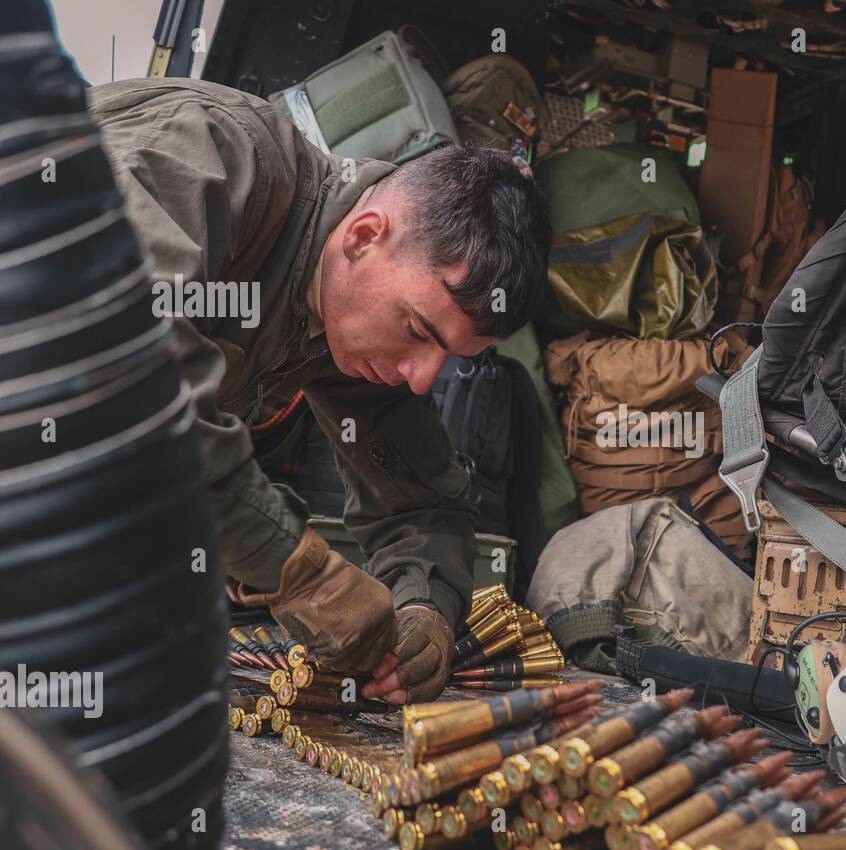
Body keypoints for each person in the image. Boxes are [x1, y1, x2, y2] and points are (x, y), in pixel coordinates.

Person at [89, 78, 551, 703]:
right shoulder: (213, 155)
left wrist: (424, 611)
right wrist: (295, 569)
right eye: (418, 331)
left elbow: (421, 503)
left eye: (449, 357)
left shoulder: (348, 319)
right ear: (364, 236)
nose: (422, 376)